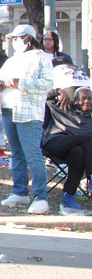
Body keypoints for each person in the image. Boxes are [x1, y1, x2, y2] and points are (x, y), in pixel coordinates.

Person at [0, 24, 53, 214]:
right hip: (8, 108)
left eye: (17, 38)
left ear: (28, 39)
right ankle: (19, 191)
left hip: (29, 112)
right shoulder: (11, 60)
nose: (14, 41)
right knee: (17, 153)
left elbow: (47, 84)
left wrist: (22, 83)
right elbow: (0, 80)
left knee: (33, 154)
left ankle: (40, 196)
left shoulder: (43, 58)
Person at [42, 87, 92, 215]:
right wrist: (59, 91)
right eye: (83, 99)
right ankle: (90, 179)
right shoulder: (63, 107)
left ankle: (68, 196)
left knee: (79, 151)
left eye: (90, 99)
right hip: (56, 143)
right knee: (87, 139)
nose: (87, 101)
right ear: (75, 101)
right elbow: (43, 97)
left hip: (76, 152)